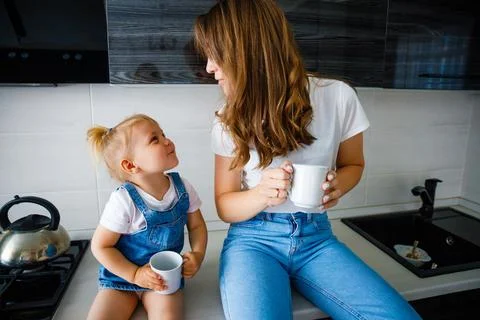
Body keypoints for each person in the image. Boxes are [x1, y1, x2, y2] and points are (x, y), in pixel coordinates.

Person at [193, 1, 421, 319]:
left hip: (316, 239)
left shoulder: (338, 96)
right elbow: (225, 206)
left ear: (246, 51)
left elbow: (353, 165)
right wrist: (260, 194)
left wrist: (336, 186)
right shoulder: (227, 120)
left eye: (214, 54)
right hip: (253, 242)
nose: (209, 68)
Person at [85, 114, 208, 320]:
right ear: (131, 165)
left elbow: (196, 226)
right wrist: (135, 275)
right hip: (120, 279)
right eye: (155, 139)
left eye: (163, 134)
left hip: (163, 279)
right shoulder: (123, 201)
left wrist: (198, 254)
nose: (167, 141)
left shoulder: (182, 188)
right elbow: (100, 246)